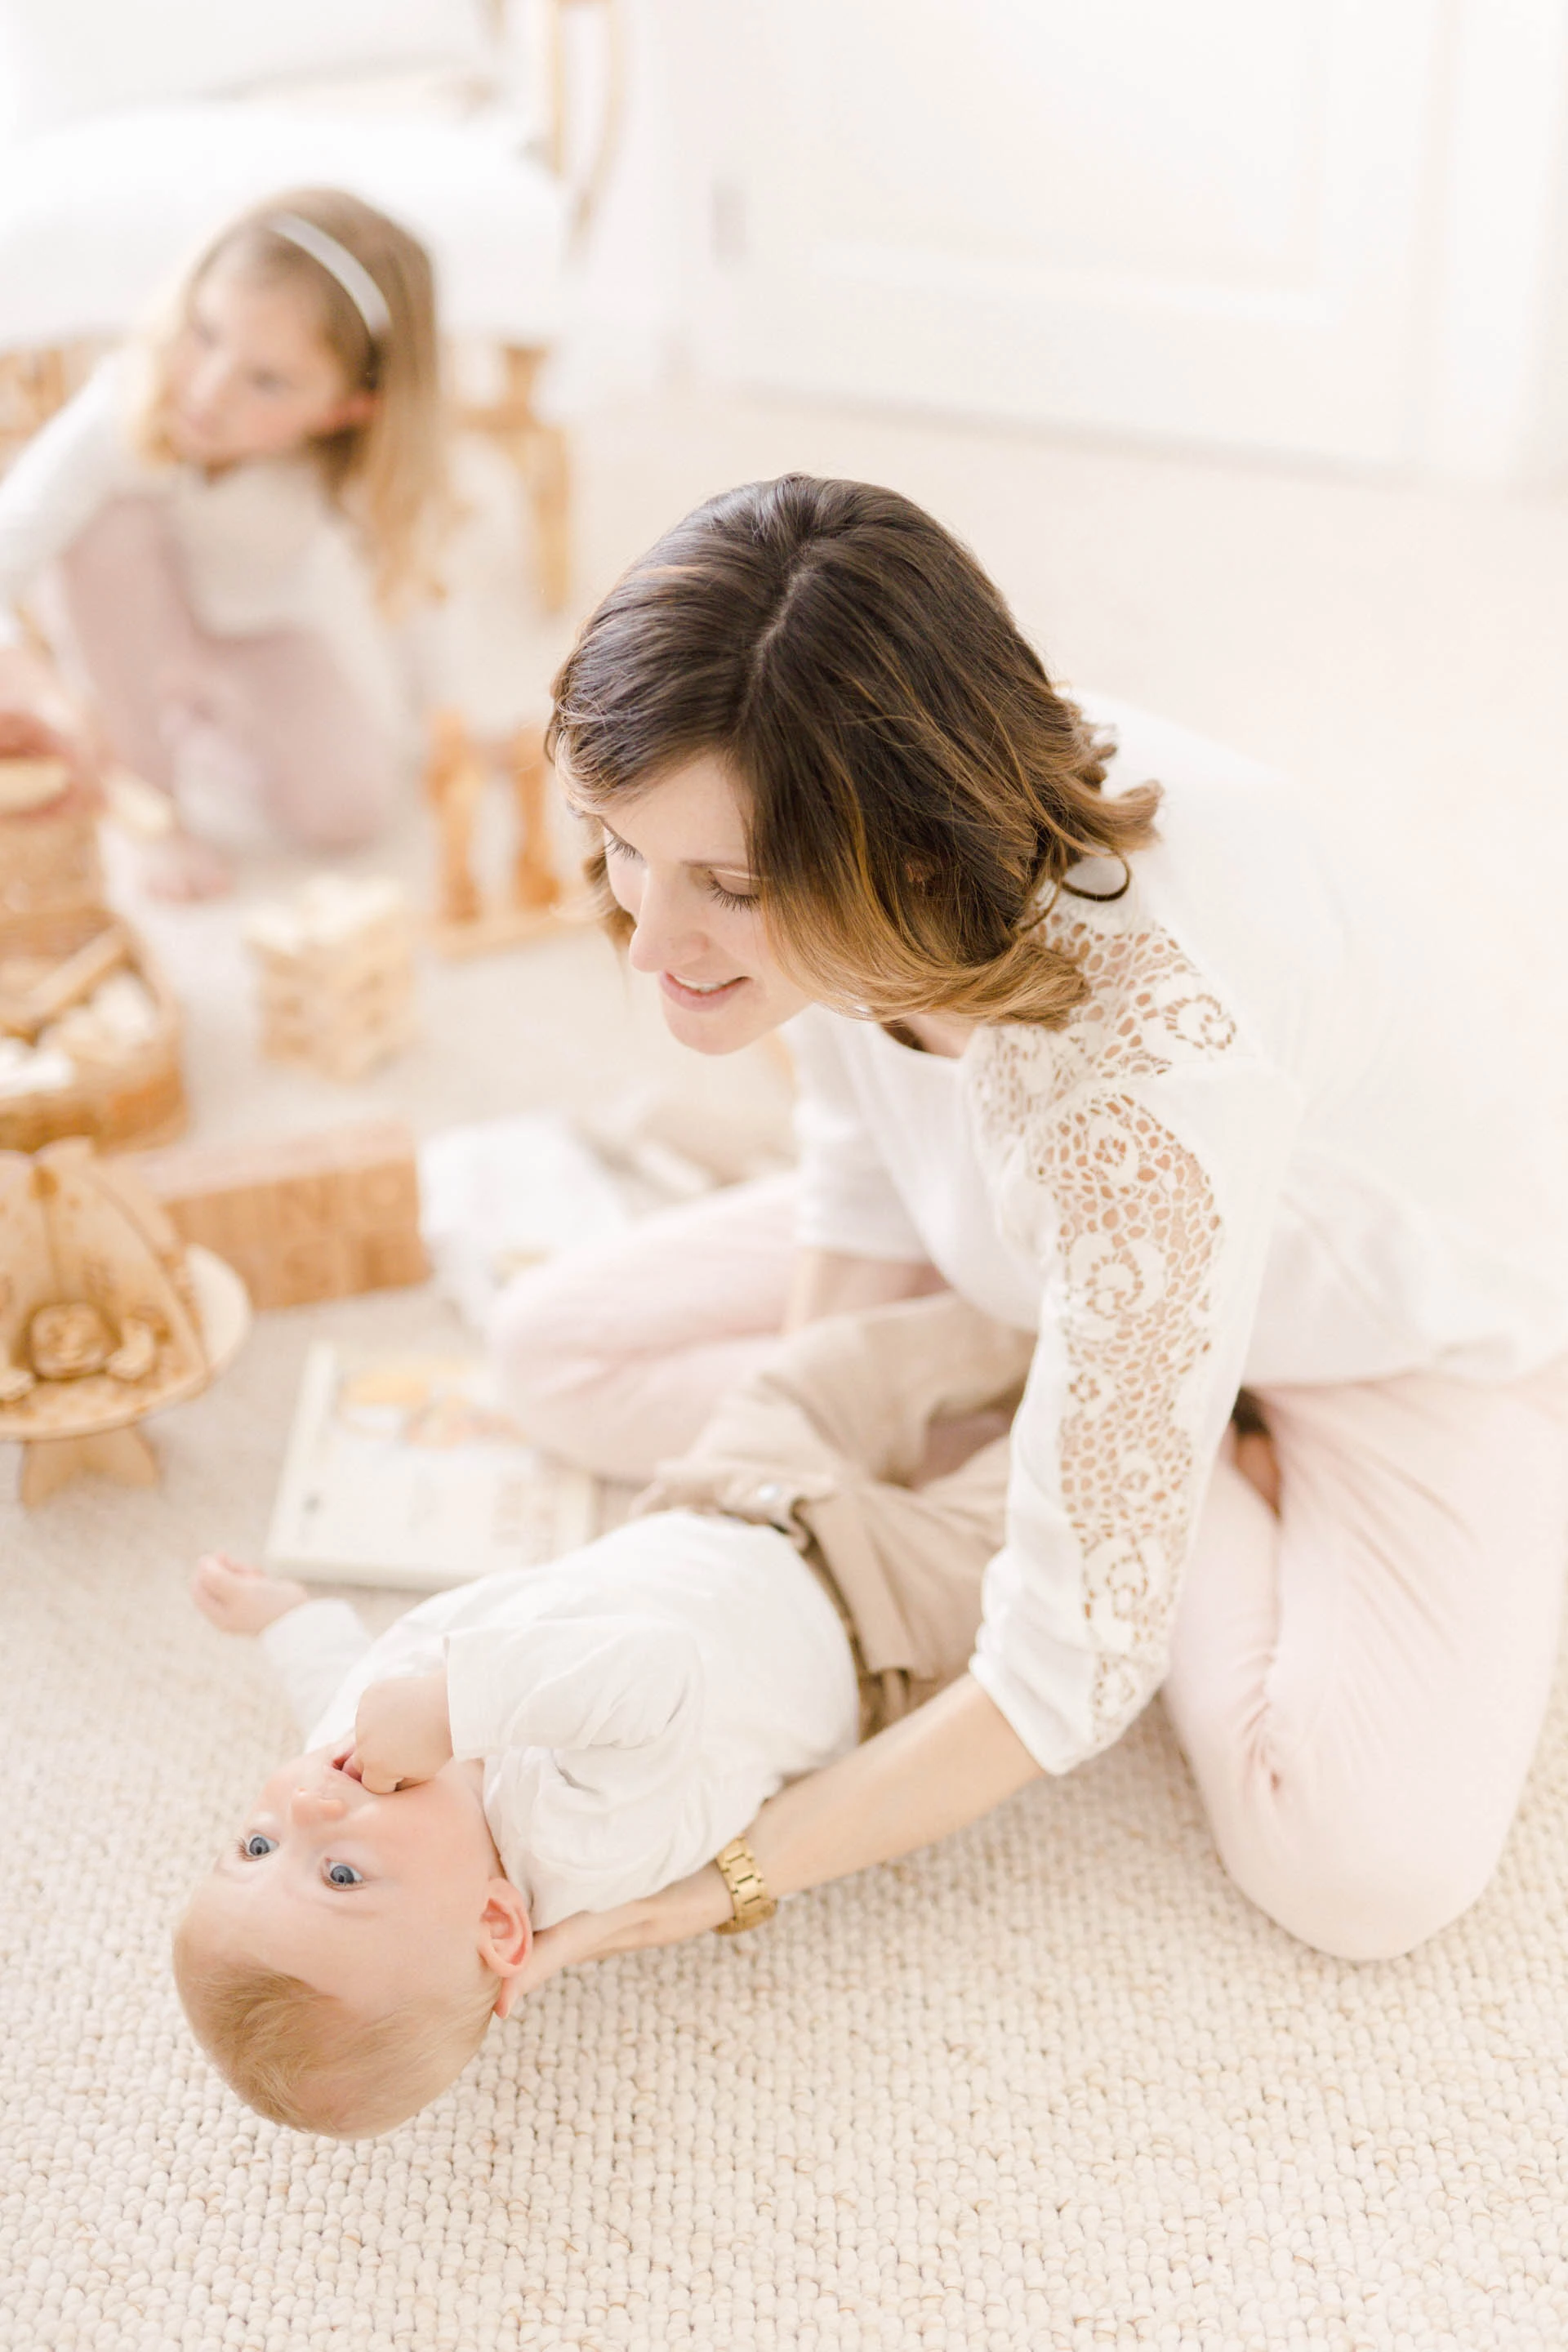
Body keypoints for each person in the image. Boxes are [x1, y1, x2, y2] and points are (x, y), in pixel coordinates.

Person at [491, 472, 1568, 1984]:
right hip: (1022, 1262)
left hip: (1393, 1339)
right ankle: (1090, 1435)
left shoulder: (1146, 1079)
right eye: (621, 846)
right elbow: (861, 1154)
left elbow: (1066, 1672)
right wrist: (774, 1494)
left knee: (1357, 1864)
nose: (650, 941)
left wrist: (725, 1877)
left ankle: (1184, 1472)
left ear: (907, 856)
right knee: (555, 1355)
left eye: (724, 890)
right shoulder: (865, 780)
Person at [174, 1292, 1032, 2137]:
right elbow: (657, 1670)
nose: (308, 1810)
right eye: (341, 1876)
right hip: (884, 1613)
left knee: (832, 1371)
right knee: (1043, 1495)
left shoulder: (353, 1766)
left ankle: (1027, 1318)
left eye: (256, 1845)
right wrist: (453, 1705)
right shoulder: (573, 1835)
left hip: (724, 1497)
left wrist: (286, 1617)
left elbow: (335, 1679)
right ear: (498, 1920)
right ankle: (1086, 1371)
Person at [0, 186, 448, 898]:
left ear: (346, 408)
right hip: (127, 622)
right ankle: (152, 791)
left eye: (267, 381)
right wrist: (20, 670)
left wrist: (447, 718)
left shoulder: (345, 466)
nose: (207, 392)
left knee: (353, 810)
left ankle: (194, 715)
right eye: (204, 333)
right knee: (112, 527)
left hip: (256, 630)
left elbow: (416, 585)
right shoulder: (124, 406)